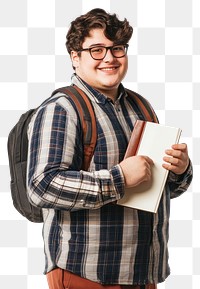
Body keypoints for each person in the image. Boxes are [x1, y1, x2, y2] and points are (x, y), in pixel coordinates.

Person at [27, 8, 193, 289]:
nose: (109, 58)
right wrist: (120, 178)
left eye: (117, 48)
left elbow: (159, 191)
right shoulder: (61, 109)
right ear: (75, 57)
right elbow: (41, 186)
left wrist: (179, 171)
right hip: (87, 275)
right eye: (96, 49)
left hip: (143, 273)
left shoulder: (141, 107)